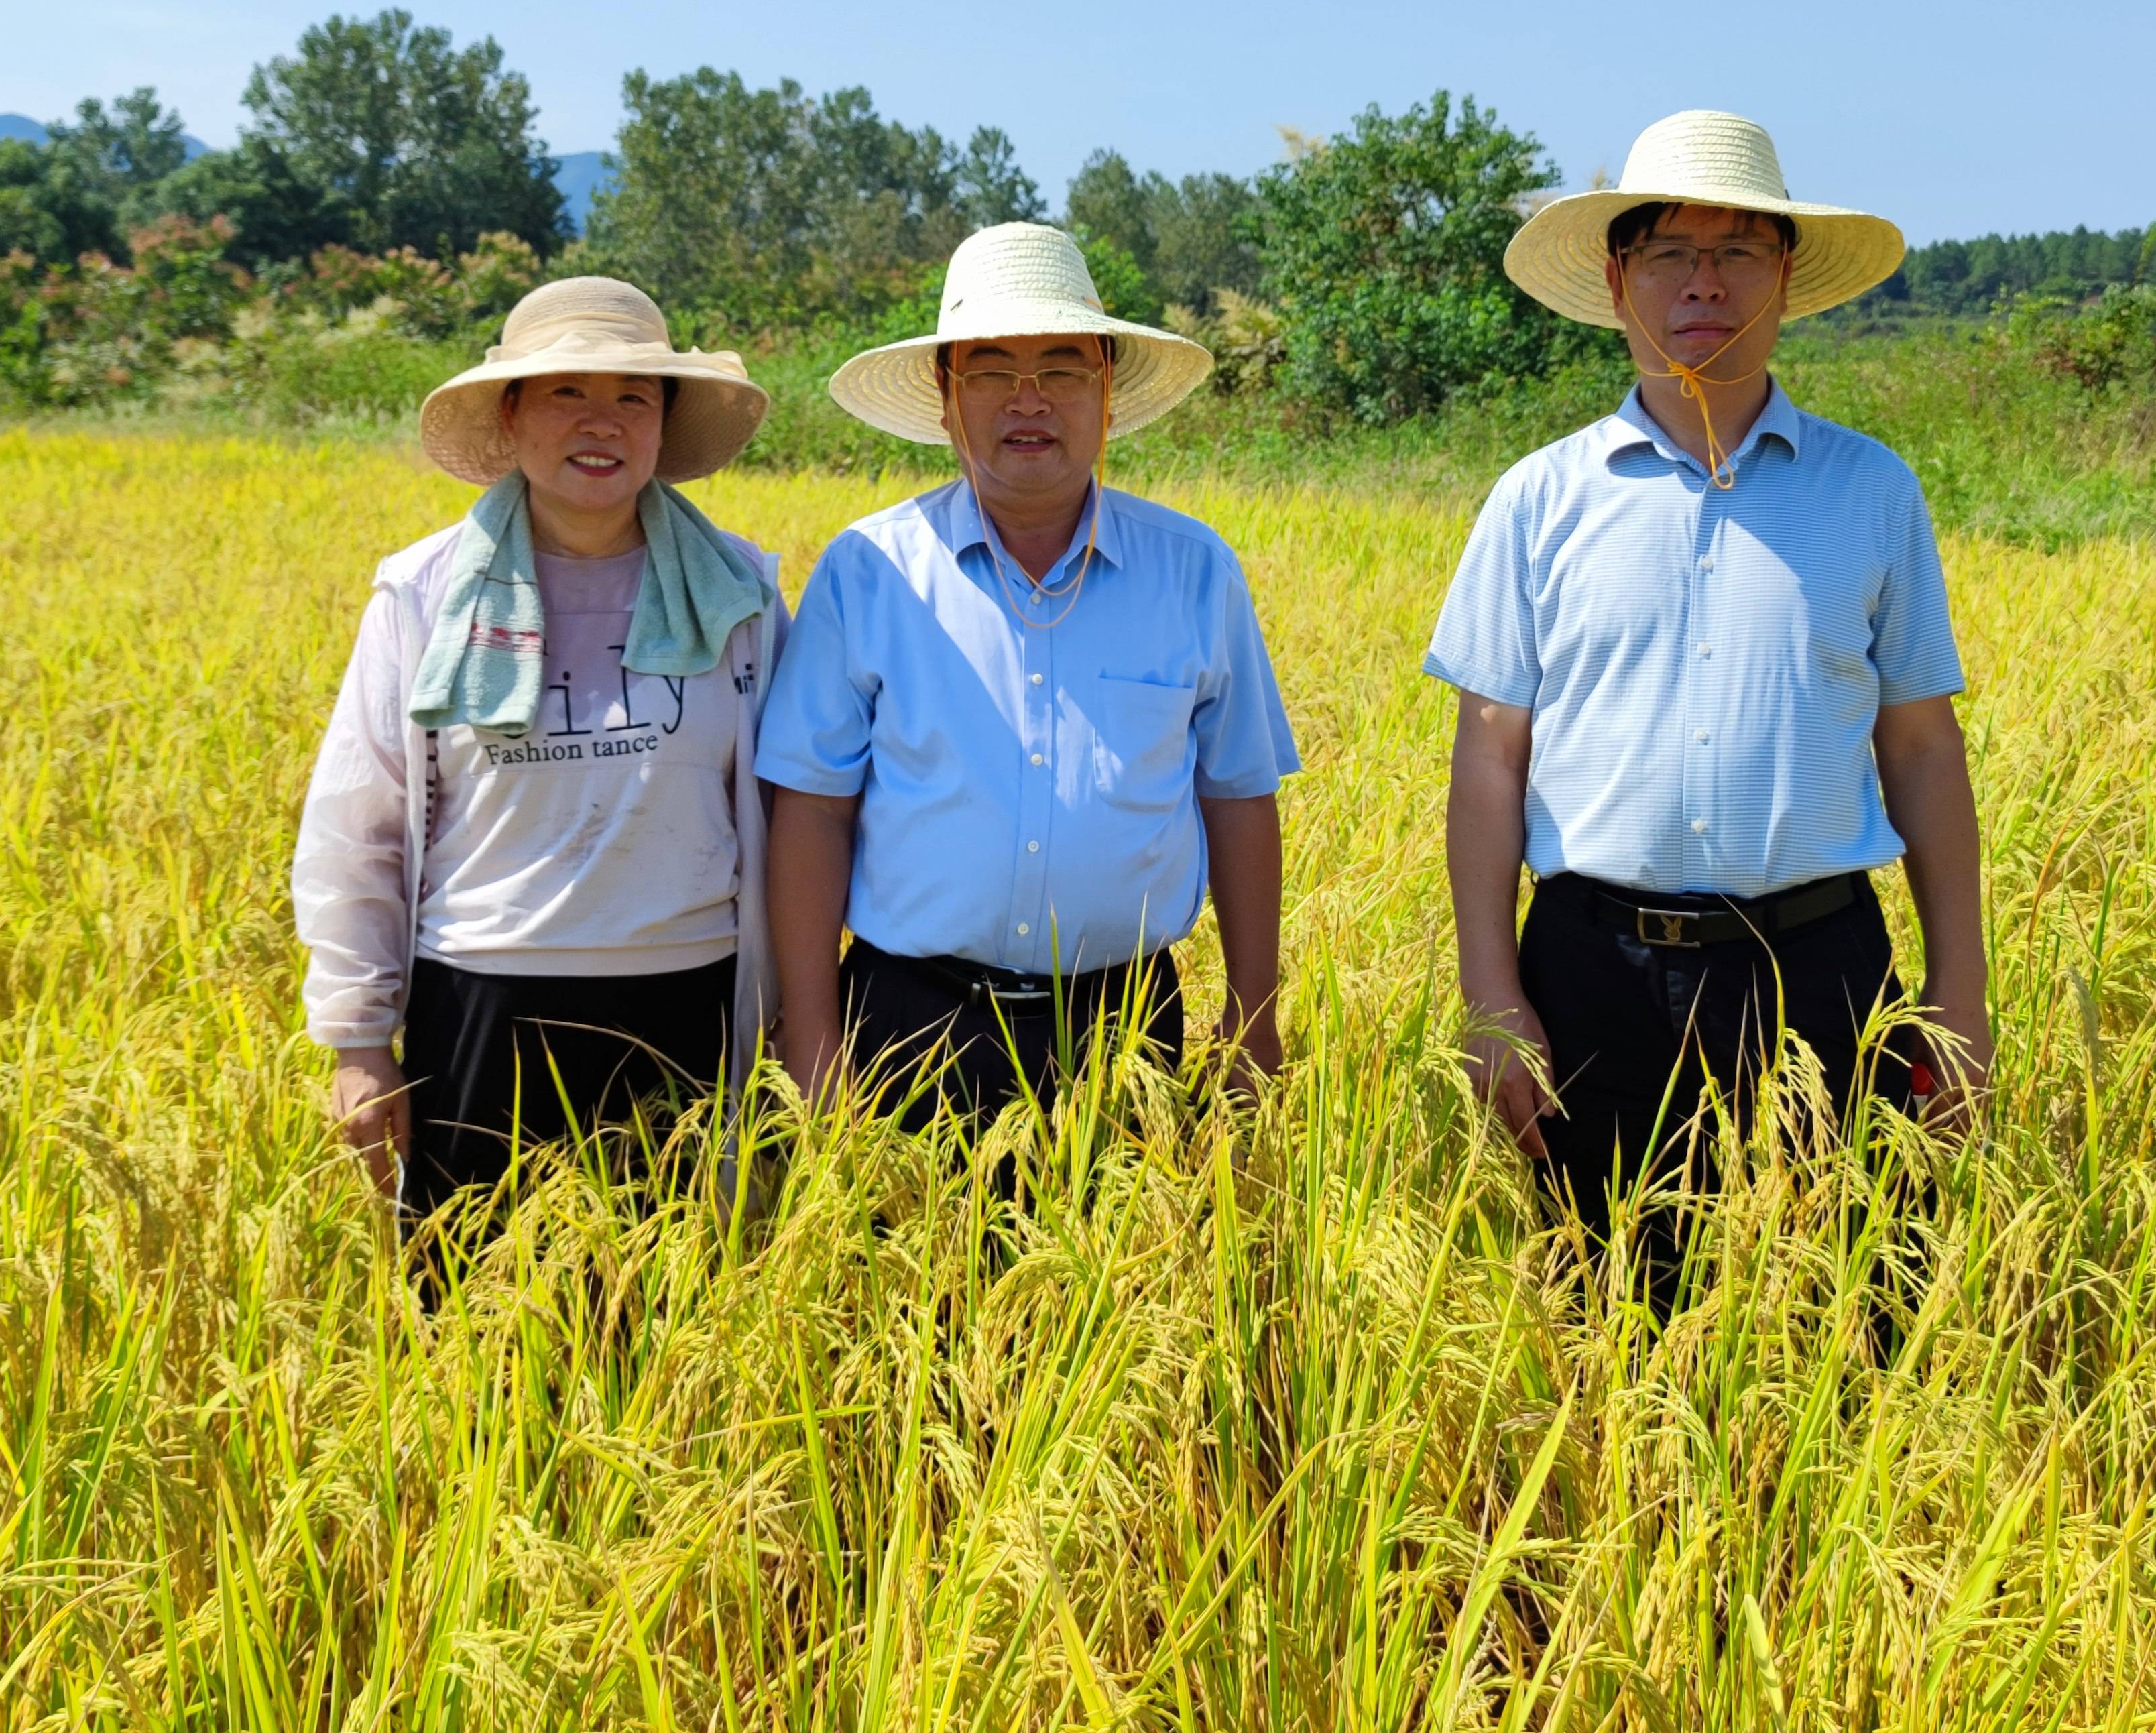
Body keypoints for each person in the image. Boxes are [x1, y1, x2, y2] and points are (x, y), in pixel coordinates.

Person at [1424, 109, 1989, 1309]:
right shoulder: (1539, 499)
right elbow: (1489, 761)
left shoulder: (1872, 491)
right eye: (1671, 254)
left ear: (1785, 278)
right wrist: (1491, 993)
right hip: (1592, 969)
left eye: (1737, 251)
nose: (1704, 282)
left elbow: (1923, 747)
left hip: (1820, 969)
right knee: (1608, 1326)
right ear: (1619, 279)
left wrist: (1962, 991)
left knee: (1842, 1328)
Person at [758, 223, 1299, 1118]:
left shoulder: (1195, 573)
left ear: (1108, 392)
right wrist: (811, 1032)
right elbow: (813, 812)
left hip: (1122, 1034)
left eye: (1061, 369)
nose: (1029, 401)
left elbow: (1238, 799)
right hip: (906, 1027)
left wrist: (1253, 1023)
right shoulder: (870, 572)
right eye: (991, 371)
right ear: (944, 397)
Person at [292, 277, 787, 1230]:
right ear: (512, 416)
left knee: (676, 1334)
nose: (601, 422)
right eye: (567, 392)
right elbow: (360, 823)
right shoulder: (421, 595)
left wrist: (787, 1025)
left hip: (687, 1003)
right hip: (481, 1003)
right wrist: (358, 1042)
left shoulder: (741, 598)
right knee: (480, 1334)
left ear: (663, 427)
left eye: (633, 397)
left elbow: (792, 816)